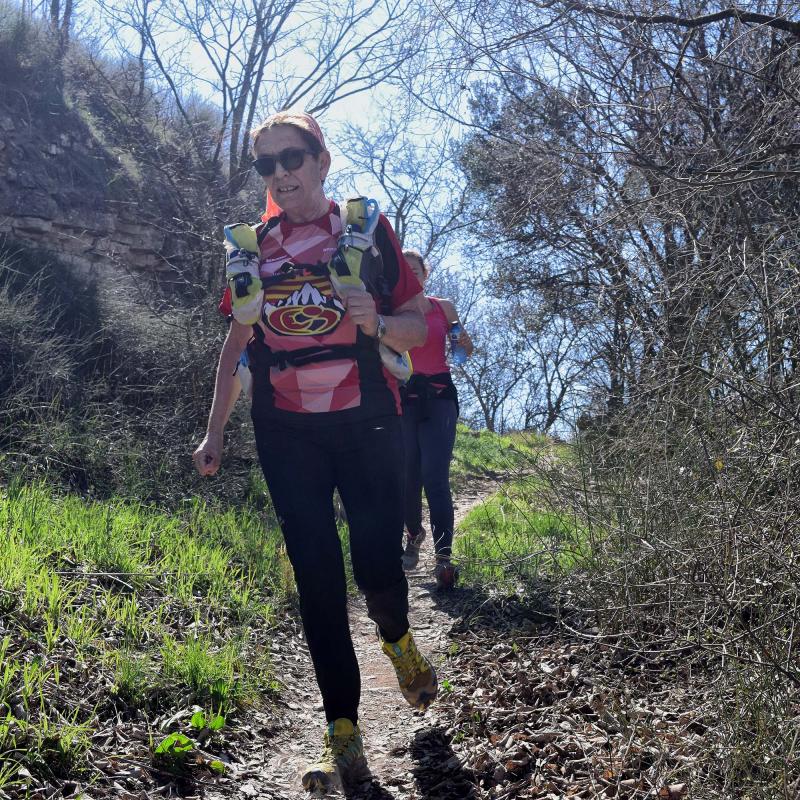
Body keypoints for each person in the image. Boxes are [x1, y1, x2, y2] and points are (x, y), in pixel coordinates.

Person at [192, 111, 437, 792]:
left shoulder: (365, 232)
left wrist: (380, 321)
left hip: (367, 422)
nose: (279, 174)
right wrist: (215, 432)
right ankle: (344, 735)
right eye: (264, 164)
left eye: (291, 158)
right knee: (318, 581)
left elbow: (418, 326)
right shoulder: (253, 249)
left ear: (321, 161)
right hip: (287, 432)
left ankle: (397, 639)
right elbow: (236, 346)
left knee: (375, 565)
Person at [399, 249, 473, 589]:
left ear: (425, 274)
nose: (411, 274)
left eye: (416, 269)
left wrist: (460, 340)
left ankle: (444, 558)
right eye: (405, 269)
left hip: (441, 395)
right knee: (407, 475)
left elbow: (462, 351)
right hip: (404, 398)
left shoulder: (443, 307)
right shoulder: (391, 309)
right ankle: (414, 535)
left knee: (435, 476)